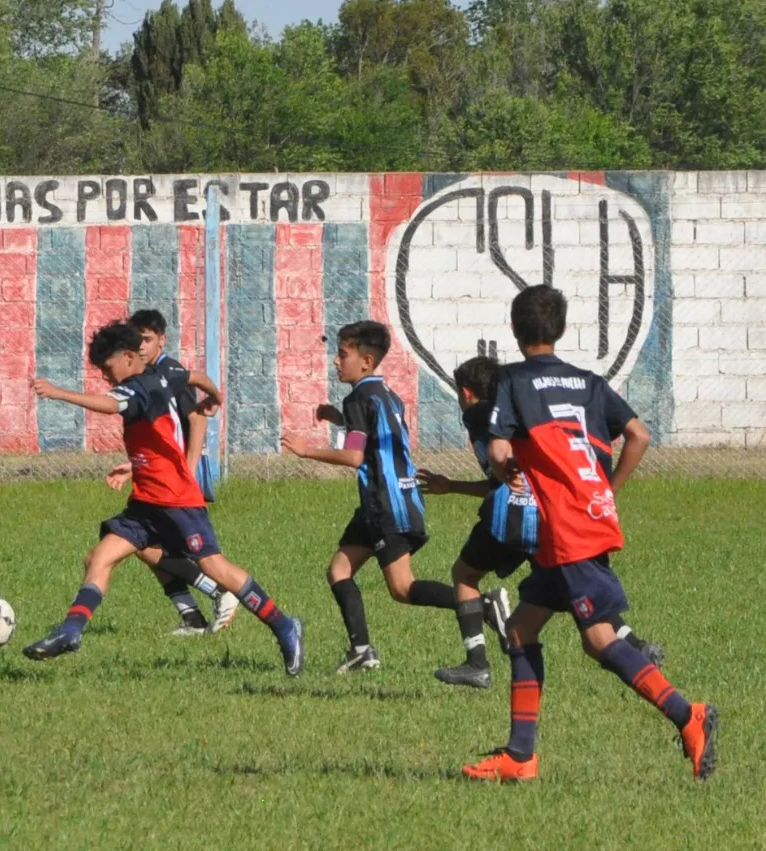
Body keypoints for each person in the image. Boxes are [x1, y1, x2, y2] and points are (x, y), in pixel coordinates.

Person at [462, 285, 717, 782]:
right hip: (585, 517)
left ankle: (690, 717)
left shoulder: (511, 381)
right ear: (559, 329)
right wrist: (608, 489)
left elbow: (497, 454)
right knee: (520, 630)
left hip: (565, 527)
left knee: (600, 639)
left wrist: (510, 466)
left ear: (515, 330)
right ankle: (520, 757)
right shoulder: (588, 382)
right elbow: (639, 435)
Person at [25, 320, 305, 675]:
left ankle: (284, 626)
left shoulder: (136, 388)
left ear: (128, 357)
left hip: (176, 500)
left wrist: (60, 392)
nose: (107, 379)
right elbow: (198, 377)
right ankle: (70, 631)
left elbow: (109, 405)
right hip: (146, 501)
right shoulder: (166, 373)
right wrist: (215, 399)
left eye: (108, 369)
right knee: (99, 556)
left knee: (214, 566)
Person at [419, 356, 665, 689]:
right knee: (573, 585)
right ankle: (635, 645)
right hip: (552, 516)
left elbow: (504, 482)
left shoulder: (480, 419)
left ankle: (476, 662)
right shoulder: (541, 403)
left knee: (465, 574)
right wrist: (451, 486)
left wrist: (456, 485)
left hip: (512, 518)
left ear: (466, 393)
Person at [281, 320, 479, 674]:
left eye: (342, 355)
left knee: (402, 588)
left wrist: (306, 451)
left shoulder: (357, 397)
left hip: (384, 505)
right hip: (393, 500)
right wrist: (340, 419)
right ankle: (360, 649)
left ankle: (479, 603)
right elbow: (375, 435)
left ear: (366, 362)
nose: (335, 362)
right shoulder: (386, 394)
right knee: (339, 570)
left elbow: (355, 456)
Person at [99, 309, 237, 636]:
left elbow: (196, 421)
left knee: (154, 548)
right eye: (137, 339)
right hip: (163, 481)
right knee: (145, 548)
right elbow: (163, 434)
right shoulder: (144, 376)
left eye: (147, 339)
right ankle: (192, 615)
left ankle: (219, 592)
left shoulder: (169, 371)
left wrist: (188, 475)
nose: (142, 346)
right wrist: (134, 467)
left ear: (162, 339)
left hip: (178, 486)